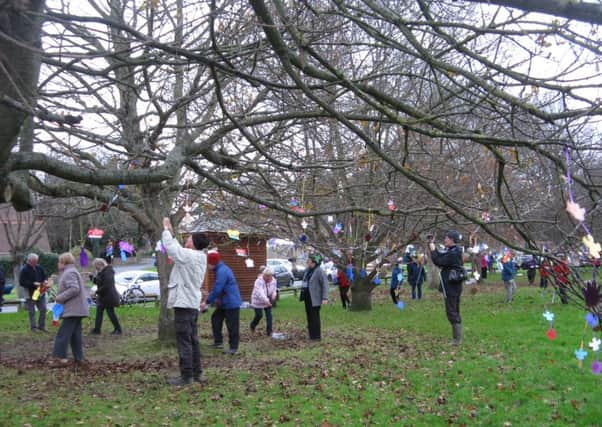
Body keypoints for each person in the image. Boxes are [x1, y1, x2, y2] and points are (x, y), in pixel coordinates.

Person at [162, 217, 210, 386]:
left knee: (184, 341)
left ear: (194, 243)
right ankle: (197, 373)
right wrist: (172, 234)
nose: (187, 239)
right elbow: (177, 249)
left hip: (184, 304)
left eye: (189, 238)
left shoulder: (189, 256)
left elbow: (172, 249)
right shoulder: (199, 256)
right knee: (193, 340)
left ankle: (186, 376)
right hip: (192, 304)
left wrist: (167, 230)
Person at [52, 252, 89, 363]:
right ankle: (79, 358)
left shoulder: (69, 273)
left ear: (64, 262)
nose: (58, 264)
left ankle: (60, 357)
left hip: (73, 309)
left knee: (63, 334)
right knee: (75, 335)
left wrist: (59, 298)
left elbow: (74, 289)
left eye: (59, 261)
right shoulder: (72, 271)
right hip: (76, 309)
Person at [429, 231, 465, 345]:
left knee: (451, 311)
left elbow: (438, 261)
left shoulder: (453, 253)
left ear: (452, 240)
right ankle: (457, 337)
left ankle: (456, 339)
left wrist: (433, 250)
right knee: (454, 310)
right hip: (454, 286)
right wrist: (433, 247)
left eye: (447, 238)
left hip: (451, 287)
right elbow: (441, 256)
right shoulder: (453, 251)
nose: (445, 240)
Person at [203, 252, 242, 355]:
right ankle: (218, 342)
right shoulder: (220, 269)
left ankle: (234, 348)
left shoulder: (222, 271)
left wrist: (207, 302)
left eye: (208, 263)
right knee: (215, 318)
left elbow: (218, 288)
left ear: (212, 263)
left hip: (231, 302)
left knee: (232, 325)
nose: (207, 265)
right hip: (224, 302)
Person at [300, 254, 329, 341]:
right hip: (307, 297)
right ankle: (311, 335)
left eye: (308, 260)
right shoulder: (308, 270)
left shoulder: (319, 271)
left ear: (314, 262)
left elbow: (325, 285)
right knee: (309, 316)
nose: (307, 261)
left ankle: (316, 336)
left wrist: (325, 298)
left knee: (314, 317)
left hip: (315, 298)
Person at [90, 258, 122, 335]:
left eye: (96, 267)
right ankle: (97, 329)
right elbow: (99, 282)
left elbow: (107, 285)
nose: (96, 269)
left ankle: (118, 329)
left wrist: (96, 292)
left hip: (109, 296)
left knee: (111, 313)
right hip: (102, 297)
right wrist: (92, 278)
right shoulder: (102, 271)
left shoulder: (109, 271)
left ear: (100, 265)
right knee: (99, 313)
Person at [19, 253, 48, 332]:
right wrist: (33, 284)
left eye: (36, 261)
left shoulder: (39, 268)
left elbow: (45, 275)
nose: (36, 263)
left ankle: (41, 326)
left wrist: (45, 280)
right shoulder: (24, 270)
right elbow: (22, 282)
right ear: (29, 261)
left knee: (43, 309)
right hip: (30, 293)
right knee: (32, 311)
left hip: (40, 291)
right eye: (34, 261)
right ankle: (33, 327)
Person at [250, 267, 277, 336]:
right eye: (267, 276)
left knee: (269, 315)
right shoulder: (258, 281)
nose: (269, 278)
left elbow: (274, 289)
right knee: (259, 315)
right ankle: (252, 325)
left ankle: (269, 332)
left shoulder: (273, 281)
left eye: (270, 276)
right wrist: (267, 301)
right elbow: (260, 293)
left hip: (267, 300)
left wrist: (274, 295)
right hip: (258, 300)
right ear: (264, 275)